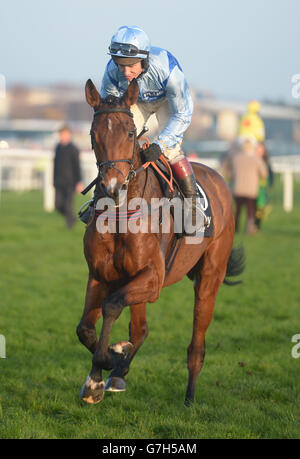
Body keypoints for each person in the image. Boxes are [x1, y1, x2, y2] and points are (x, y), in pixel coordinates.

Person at [80, 25, 209, 230]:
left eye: (131, 65)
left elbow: (182, 114)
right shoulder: (111, 73)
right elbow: (112, 112)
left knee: (171, 150)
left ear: (144, 59)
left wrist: (160, 144)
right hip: (135, 102)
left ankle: (192, 204)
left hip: (168, 103)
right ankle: (99, 198)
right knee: (123, 145)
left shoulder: (169, 71)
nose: (125, 71)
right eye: (121, 65)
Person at [231, 138, 268, 234]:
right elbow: (264, 173)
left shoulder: (237, 158)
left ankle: (235, 229)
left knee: (238, 211)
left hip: (238, 188)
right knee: (250, 211)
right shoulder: (256, 159)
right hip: (251, 189)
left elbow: (233, 173)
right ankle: (249, 229)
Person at [53, 125, 84, 229]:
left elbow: (77, 166)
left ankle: (70, 226)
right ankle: (72, 218)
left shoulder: (73, 149)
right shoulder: (58, 147)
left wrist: (79, 182)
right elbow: (55, 165)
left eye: (64, 134)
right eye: (60, 134)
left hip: (70, 182)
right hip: (58, 182)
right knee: (57, 205)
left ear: (69, 135)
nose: (62, 136)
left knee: (68, 205)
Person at [255, 142, 273, 228]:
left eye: (260, 149)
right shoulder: (253, 159)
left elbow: (270, 174)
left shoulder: (266, 161)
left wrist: (271, 184)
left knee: (261, 207)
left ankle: (257, 225)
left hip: (262, 188)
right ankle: (253, 225)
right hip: (254, 187)